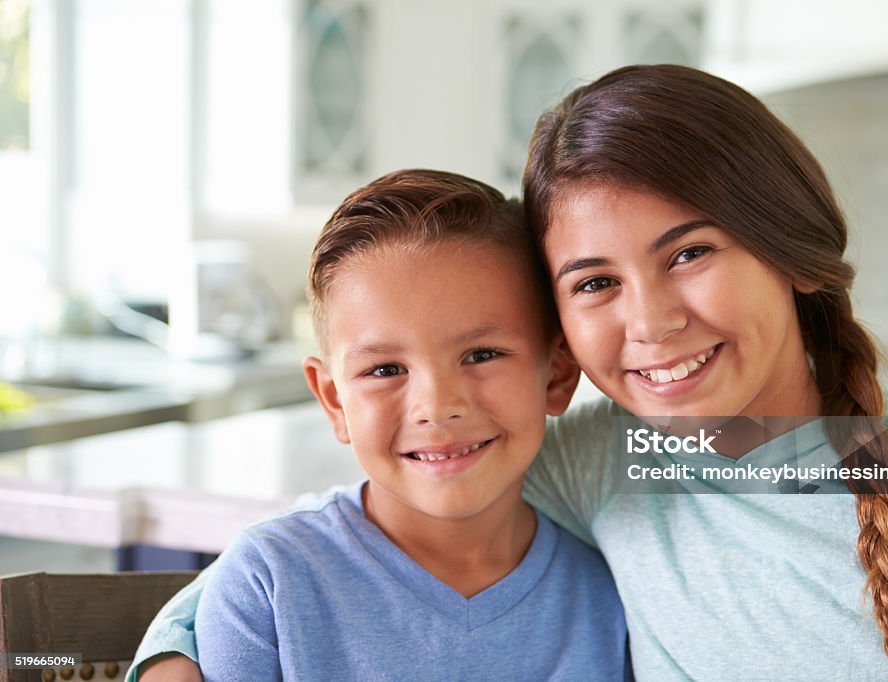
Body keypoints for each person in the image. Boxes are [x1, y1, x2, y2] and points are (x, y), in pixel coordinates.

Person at [132, 65, 888, 682]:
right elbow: (338, 539)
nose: (650, 322)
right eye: (595, 282)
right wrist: (175, 650)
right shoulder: (613, 460)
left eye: (690, 253)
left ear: (792, 248)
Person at [172, 169, 630, 681]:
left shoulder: (609, 593)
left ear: (558, 374)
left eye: (481, 354)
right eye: (385, 370)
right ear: (333, 400)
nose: (436, 406)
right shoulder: (268, 584)